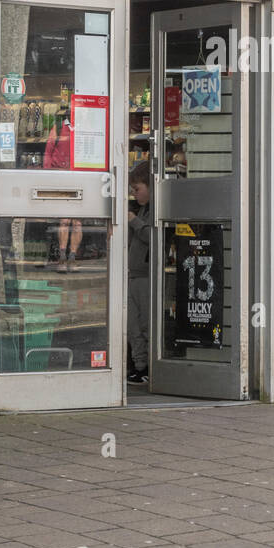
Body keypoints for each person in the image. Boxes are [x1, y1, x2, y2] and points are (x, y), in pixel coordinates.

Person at [44, 108, 82, 272]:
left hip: (81, 176)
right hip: (61, 176)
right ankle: (62, 256)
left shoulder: (86, 127)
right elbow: (48, 151)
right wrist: (47, 176)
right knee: (65, 220)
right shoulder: (59, 127)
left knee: (78, 222)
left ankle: (72, 256)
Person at [127, 160, 151, 384]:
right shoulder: (142, 210)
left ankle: (146, 366)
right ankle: (139, 364)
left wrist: (134, 222)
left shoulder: (152, 212)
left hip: (145, 274)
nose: (135, 194)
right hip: (134, 273)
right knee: (133, 323)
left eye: (137, 189)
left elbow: (152, 237)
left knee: (144, 323)